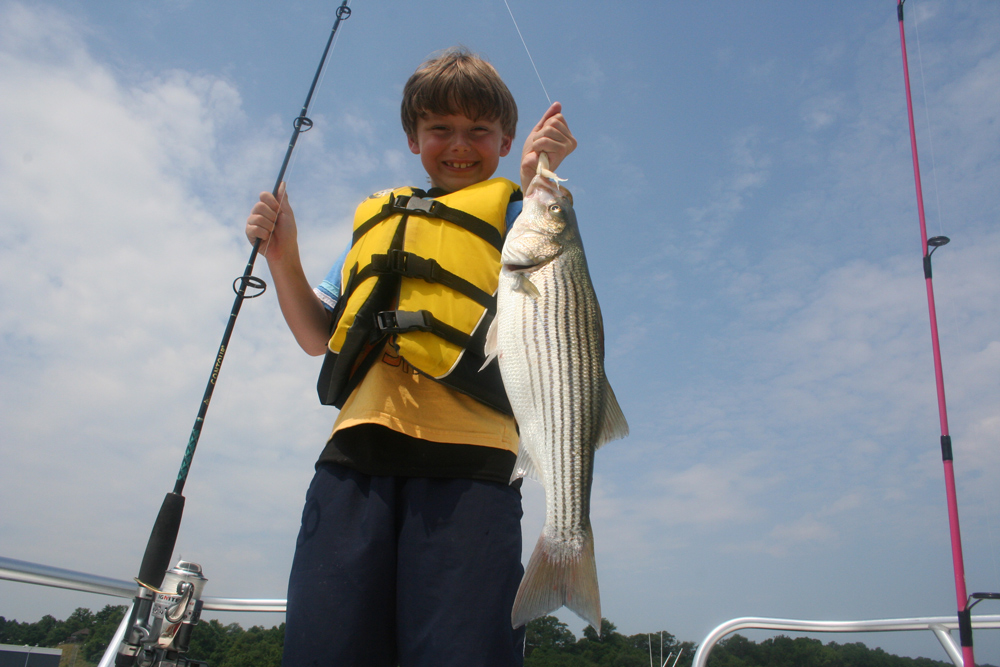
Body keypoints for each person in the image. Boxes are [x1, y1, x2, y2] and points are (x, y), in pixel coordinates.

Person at [245, 47, 576, 667]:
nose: (459, 144)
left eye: (479, 130)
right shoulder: (380, 225)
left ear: (506, 141)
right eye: (440, 128)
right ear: (412, 138)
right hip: (353, 461)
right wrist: (283, 257)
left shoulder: (521, 217)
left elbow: (555, 284)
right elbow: (318, 336)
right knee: (328, 646)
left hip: (473, 469)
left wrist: (539, 177)